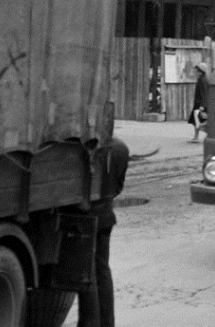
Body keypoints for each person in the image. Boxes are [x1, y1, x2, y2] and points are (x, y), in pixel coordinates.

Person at [79, 135, 130, 327]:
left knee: (87, 271)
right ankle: (107, 322)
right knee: (102, 269)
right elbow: (118, 187)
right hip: (106, 214)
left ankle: (90, 323)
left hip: (87, 215)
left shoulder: (86, 148)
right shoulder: (120, 148)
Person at [189, 62, 209, 142]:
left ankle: (197, 137)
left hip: (200, 104)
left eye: (197, 70)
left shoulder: (202, 80)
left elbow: (204, 93)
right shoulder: (203, 79)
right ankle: (196, 137)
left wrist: (202, 105)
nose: (196, 71)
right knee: (198, 121)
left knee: (200, 121)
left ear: (201, 71)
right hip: (200, 104)